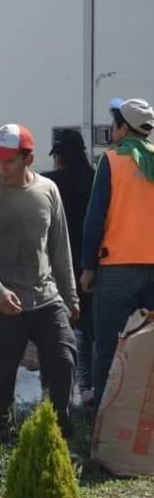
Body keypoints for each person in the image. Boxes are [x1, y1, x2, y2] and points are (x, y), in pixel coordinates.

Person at [0, 124, 79, 438]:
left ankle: (58, 430)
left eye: (9, 161)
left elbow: (60, 247)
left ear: (27, 160)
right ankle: (3, 435)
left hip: (46, 299)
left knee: (64, 359)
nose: (1, 168)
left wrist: (70, 296)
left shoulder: (48, 191)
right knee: (1, 379)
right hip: (3, 306)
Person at [82, 97, 154, 407]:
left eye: (115, 124)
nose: (112, 129)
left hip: (115, 272)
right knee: (148, 350)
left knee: (109, 350)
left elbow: (95, 218)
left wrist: (88, 266)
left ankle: (104, 425)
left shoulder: (111, 161)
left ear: (124, 128)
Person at [44, 129, 96, 401]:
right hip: (89, 263)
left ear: (59, 156)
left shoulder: (48, 183)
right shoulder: (95, 178)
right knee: (88, 329)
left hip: (56, 263)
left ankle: (57, 389)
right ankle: (87, 388)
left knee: (56, 330)